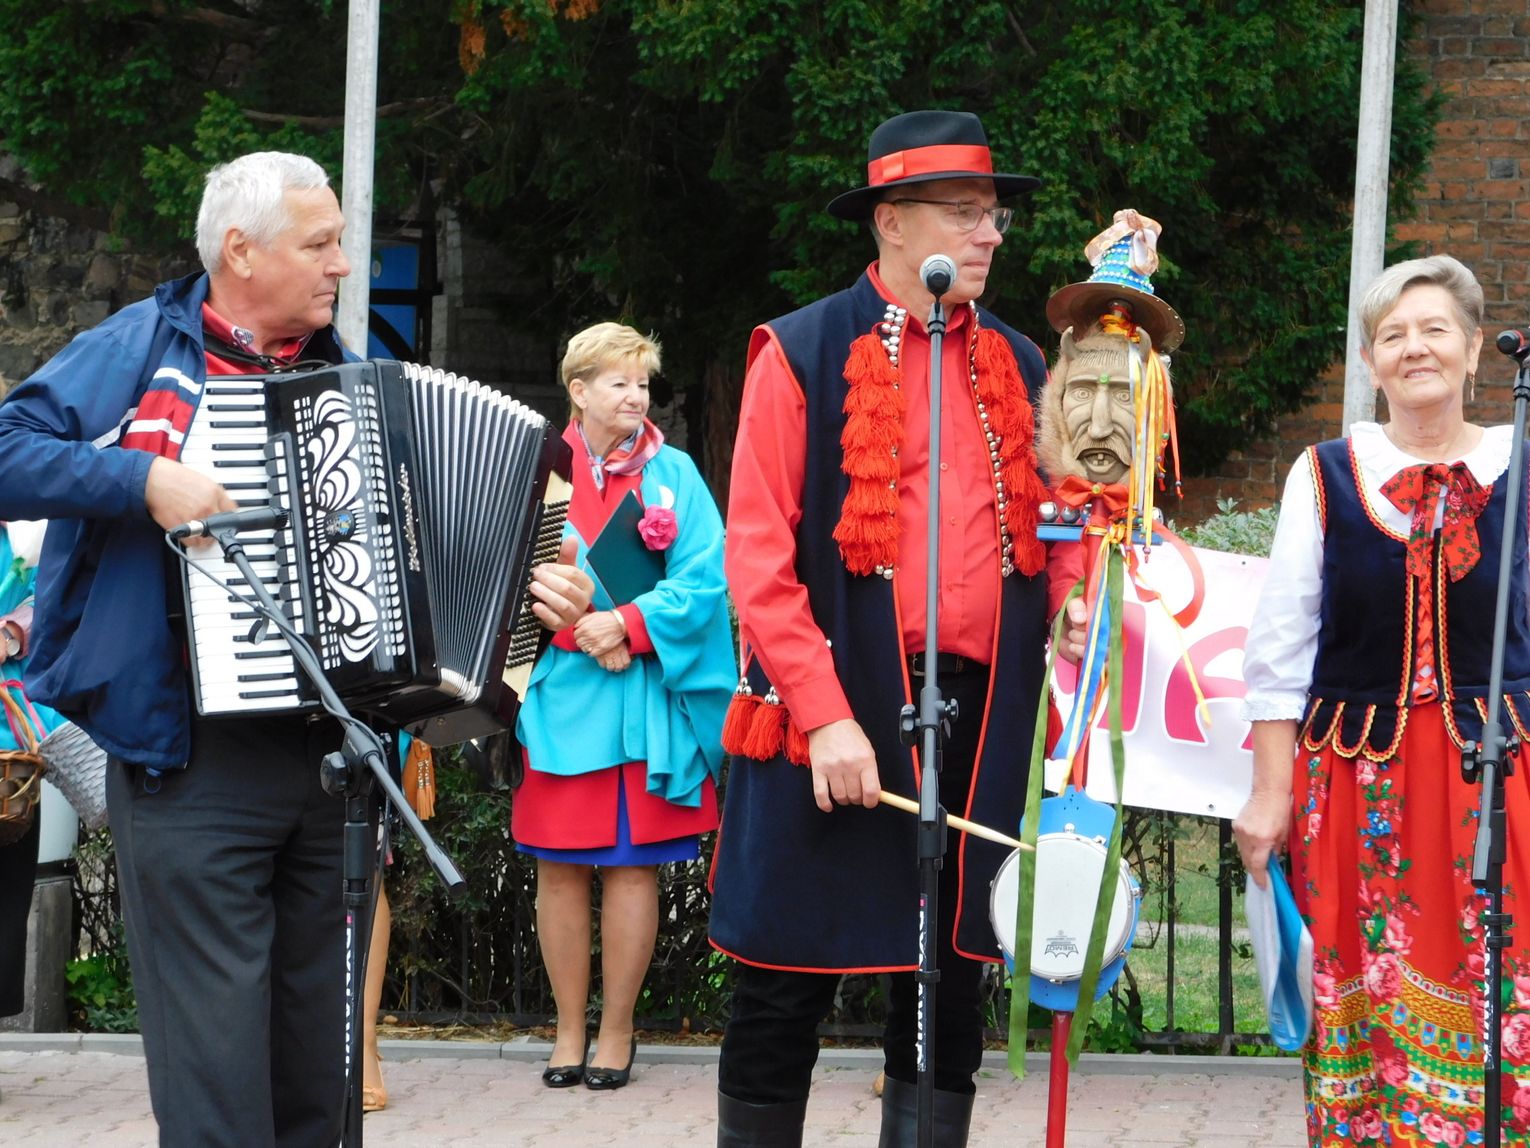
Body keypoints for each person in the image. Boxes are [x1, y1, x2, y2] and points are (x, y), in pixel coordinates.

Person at [0, 151, 593, 1147]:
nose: (342, 266)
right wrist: (142, 482)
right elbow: (9, 448)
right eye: (320, 244)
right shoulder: (147, 345)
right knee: (217, 1081)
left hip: (333, 767)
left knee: (322, 1078)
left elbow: (436, 577)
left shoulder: (355, 379)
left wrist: (537, 597)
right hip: (189, 764)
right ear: (241, 251)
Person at [708, 109, 1056, 1147]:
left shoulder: (1023, 361)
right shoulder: (800, 349)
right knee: (780, 982)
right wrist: (825, 717)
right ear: (893, 222)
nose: (989, 234)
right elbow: (757, 558)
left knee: (947, 989)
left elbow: (1055, 532)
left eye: (994, 215)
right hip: (830, 704)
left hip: (977, 717)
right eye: (965, 212)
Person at [1232, 254, 1530, 1144]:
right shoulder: (1325, 475)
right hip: (1363, 785)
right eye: (1392, 335)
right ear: (1369, 361)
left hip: (1502, 781)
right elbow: (1280, 649)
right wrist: (1270, 793)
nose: (1415, 348)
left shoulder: (1521, 467)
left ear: (1474, 348)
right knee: (1370, 997)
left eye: (1435, 329)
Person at [512, 322, 734, 1092]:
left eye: (643, 383)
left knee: (633, 867)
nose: (637, 397)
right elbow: (502, 570)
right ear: (578, 390)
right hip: (562, 698)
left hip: (645, 704)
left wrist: (629, 625)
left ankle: (617, 1031)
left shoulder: (675, 474)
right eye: (619, 382)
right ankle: (567, 1029)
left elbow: (707, 578)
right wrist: (581, 629)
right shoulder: (537, 467)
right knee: (560, 868)